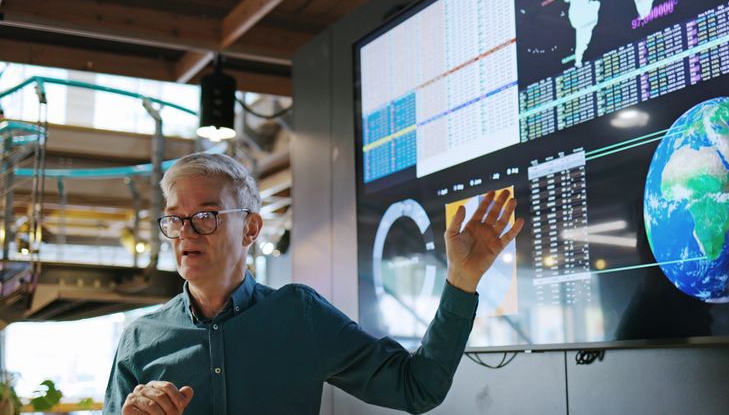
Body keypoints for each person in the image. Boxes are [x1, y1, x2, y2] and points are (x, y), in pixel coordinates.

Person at [103, 152, 524, 415]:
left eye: (207, 215)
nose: (187, 232)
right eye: (176, 219)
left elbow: (417, 388)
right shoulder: (141, 339)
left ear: (251, 228)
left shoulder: (298, 315)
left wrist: (461, 281)